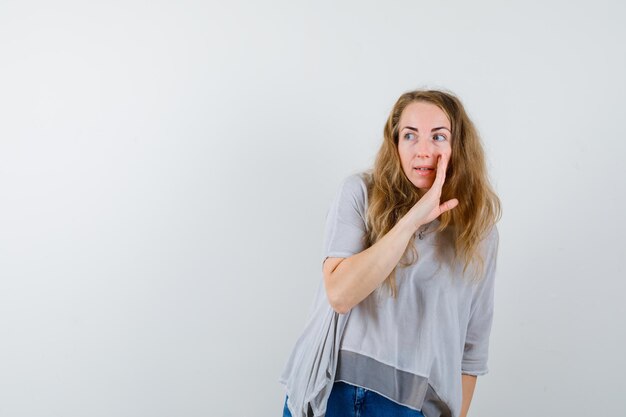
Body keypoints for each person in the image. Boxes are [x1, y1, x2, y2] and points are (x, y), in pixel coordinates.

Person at [278, 89, 501, 417]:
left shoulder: (478, 232)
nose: (423, 150)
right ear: (395, 144)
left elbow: (472, 349)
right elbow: (340, 294)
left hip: (410, 407)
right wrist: (412, 220)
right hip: (330, 394)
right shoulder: (360, 194)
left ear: (459, 146)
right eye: (410, 135)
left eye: (438, 136)